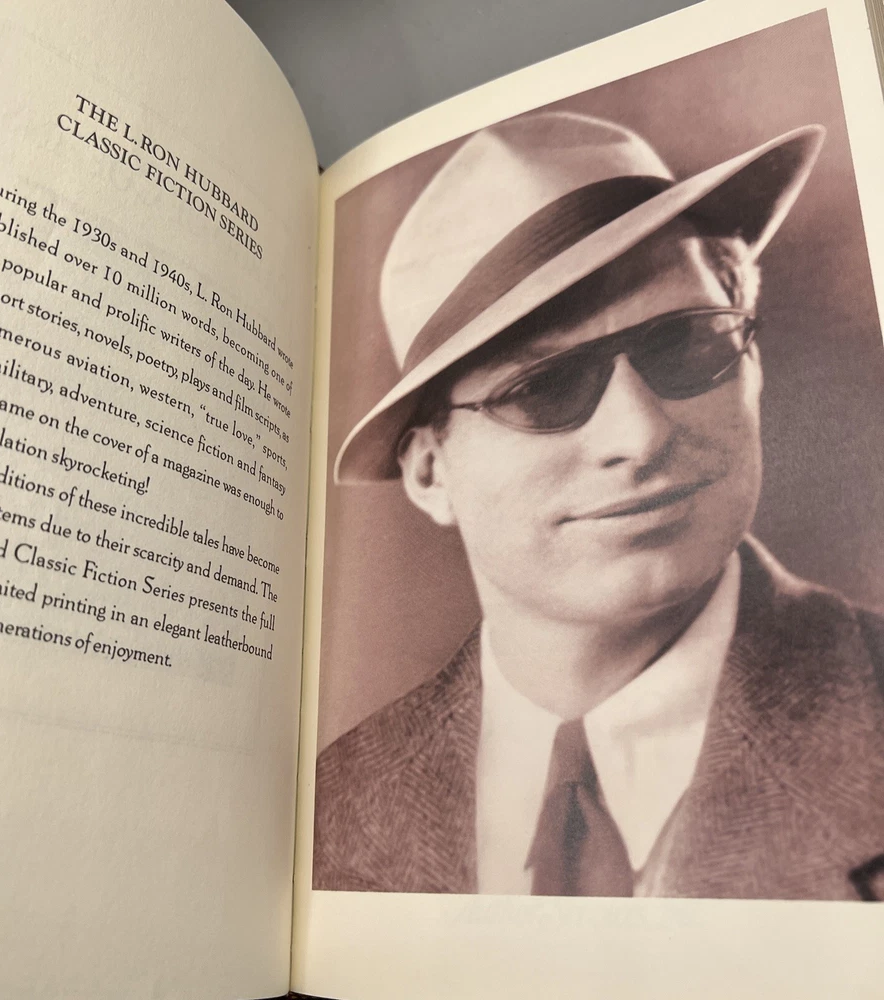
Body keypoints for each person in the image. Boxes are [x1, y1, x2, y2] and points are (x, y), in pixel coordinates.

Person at [313, 110, 884, 900]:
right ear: (430, 473)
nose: (640, 434)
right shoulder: (331, 812)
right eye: (545, 387)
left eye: (687, 342)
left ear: (751, 360)